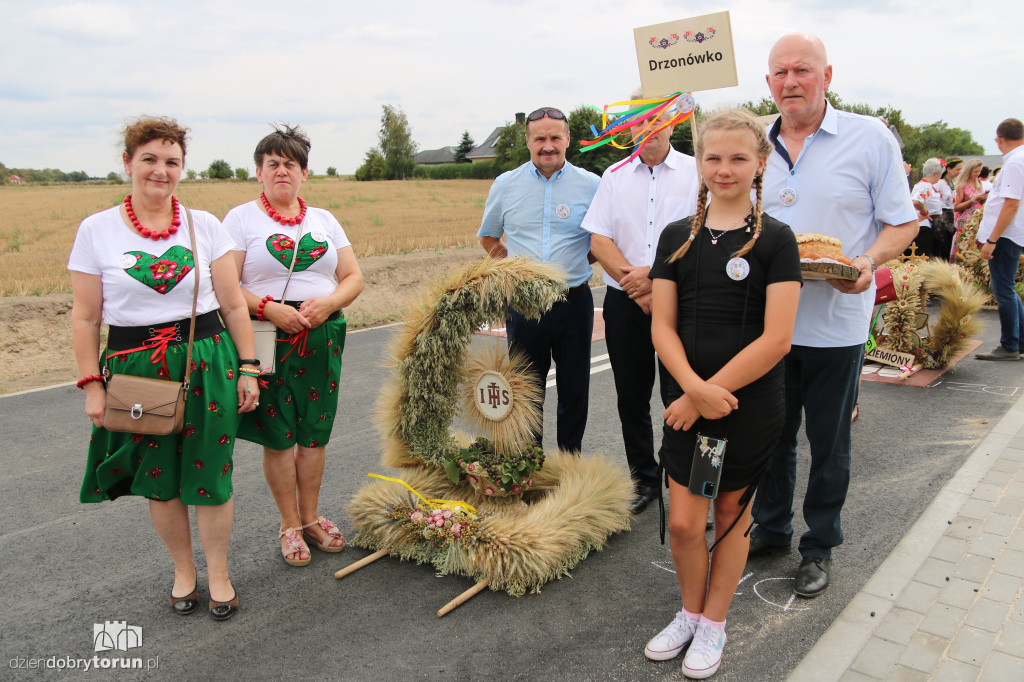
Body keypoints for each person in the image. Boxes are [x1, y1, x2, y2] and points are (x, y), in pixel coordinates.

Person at [69, 116, 259, 621]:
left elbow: (234, 305)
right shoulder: (97, 230)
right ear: (128, 163)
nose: (160, 170)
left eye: (171, 161)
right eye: (149, 158)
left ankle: (218, 573)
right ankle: (183, 572)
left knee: (213, 473)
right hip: (138, 371)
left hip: (208, 359)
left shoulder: (205, 225)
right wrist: (92, 386)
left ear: (182, 168)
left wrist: (249, 367)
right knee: (160, 477)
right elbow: (86, 318)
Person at [749, 33, 918, 598]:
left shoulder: (869, 138)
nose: (790, 82)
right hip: (768, 325)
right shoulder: (753, 143)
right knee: (771, 436)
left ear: (827, 75)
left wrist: (867, 261)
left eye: (802, 70)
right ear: (767, 81)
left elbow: (903, 222)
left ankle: (819, 546)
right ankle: (770, 529)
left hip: (837, 323)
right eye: (779, 72)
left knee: (829, 443)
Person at [644, 108, 802, 678]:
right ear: (700, 162)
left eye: (739, 158)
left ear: (761, 163)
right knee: (686, 523)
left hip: (744, 406)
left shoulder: (777, 241)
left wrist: (711, 393)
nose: (724, 168)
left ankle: (714, 624)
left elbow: (777, 338)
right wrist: (691, 391)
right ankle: (689, 612)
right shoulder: (675, 238)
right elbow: (662, 325)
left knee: (732, 514)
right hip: (691, 406)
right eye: (713, 157)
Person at [223, 124, 364, 565]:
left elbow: (353, 277)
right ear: (259, 173)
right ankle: (289, 524)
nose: (281, 171)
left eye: (290, 164)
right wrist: (267, 308)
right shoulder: (241, 219)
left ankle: (312, 517)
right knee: (280, 437)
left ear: (304, 172)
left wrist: (328, 305)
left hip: (321, 335)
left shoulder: (323, 220)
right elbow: (225, 287)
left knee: (314, 435)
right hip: (268, 338)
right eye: (272, 164)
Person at [583, 96, 700, 513]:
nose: (647, 129)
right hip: (624, 302)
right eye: (638, 123)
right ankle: (644, 479)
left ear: (672, 124)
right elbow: (599, 239)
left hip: (682, 301)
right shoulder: (613, 176)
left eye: (656, 121)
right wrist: (638, 286)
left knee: (684, 392)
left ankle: (686, 478)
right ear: (628, 129)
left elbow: (702, 235)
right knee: (631, 396)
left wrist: (655, 277)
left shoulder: (697, 171)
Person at [477, 107, 600, 453]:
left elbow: (600, 241)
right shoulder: (506, 185)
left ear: (567, 140)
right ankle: (529, 467)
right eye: (540, 138)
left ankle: (568, 466)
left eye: (555, 137)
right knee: (526, 389)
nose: (548, 145)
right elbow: (488, 237)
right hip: (524, 304)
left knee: (575, 389)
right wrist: (516, 269)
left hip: (573, 301)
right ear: (529, 141)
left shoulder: (592, 185)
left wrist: (576, 262)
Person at [974, 118, 1024, 361]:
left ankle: (1009, 345)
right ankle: (1019, 341)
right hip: (1011, 234)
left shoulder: (1015, 161)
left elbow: (1011, 204)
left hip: (1004, 235)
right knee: (1008, 289)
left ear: (1000, 138)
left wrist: (992, 239)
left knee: (1003, 290)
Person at [909, 158, 944, 257]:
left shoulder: (921, 185)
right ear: (936, 174)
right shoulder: (926, 187)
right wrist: (925, 213)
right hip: (924, 227)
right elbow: (917, 201)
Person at [934, 158, 961, 259]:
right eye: (957, 169)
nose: (959, 172)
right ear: (948, 169)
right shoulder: (940, 183)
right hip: (942, 216)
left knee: (948, 244)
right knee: (942, 244)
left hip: (949, 215)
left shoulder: (951, 183)